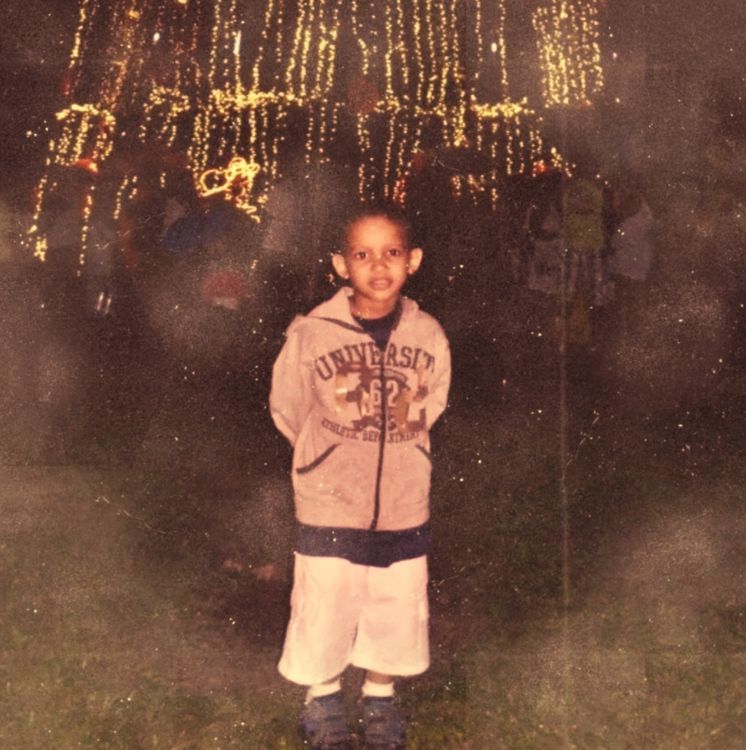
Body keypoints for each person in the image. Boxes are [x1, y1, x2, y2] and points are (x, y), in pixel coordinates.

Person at [269, 203, 451, 749]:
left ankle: (380, 697)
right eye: (362, 254)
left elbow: (432, 403)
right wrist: (328, 454)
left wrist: (395, 449)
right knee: (327, 599)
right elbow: (288, 408)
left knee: (394, 602)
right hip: (331, 496)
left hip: (402, 497)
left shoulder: (428, 334)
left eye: (391, 252)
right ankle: (322, 699)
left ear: (413, 260)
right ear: (340, 265)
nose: (378, 265)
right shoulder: (312, 334)